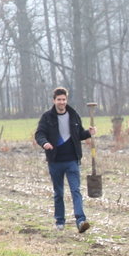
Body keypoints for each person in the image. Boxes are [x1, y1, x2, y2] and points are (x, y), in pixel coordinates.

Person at [34, 87, 95, 233]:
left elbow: (79, 134)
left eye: (64, 99)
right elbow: (39, 134)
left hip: (72, 160)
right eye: (59, 99)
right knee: (58, 193)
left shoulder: (74, 115)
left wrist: (88, 133)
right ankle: (60, 221)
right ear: (54, 100)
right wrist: (45, 143)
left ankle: (81, 221)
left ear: (66, 100)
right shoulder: (47, 117)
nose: (61, 102)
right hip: (55, 161)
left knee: (76, 190)